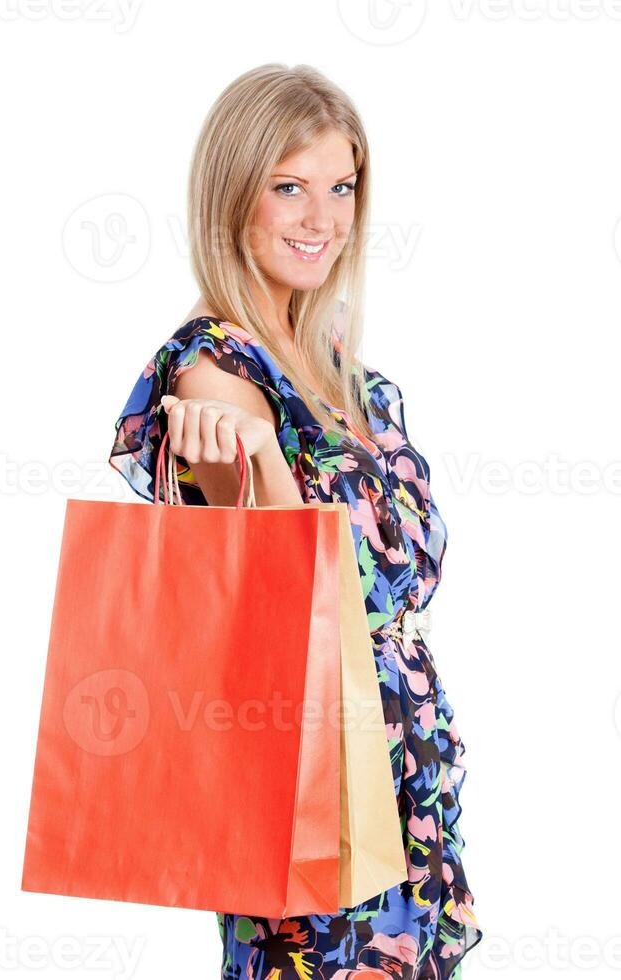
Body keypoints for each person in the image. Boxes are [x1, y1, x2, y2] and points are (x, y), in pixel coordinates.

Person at [108, 62, 483, 980]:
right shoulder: (214, 368)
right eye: (289, 187)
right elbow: (288, 596)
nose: (322, 218)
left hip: (400, 753)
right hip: (313, 759)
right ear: (234, 194)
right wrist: (261, 461)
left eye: (341, 187)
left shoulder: (332, 359)